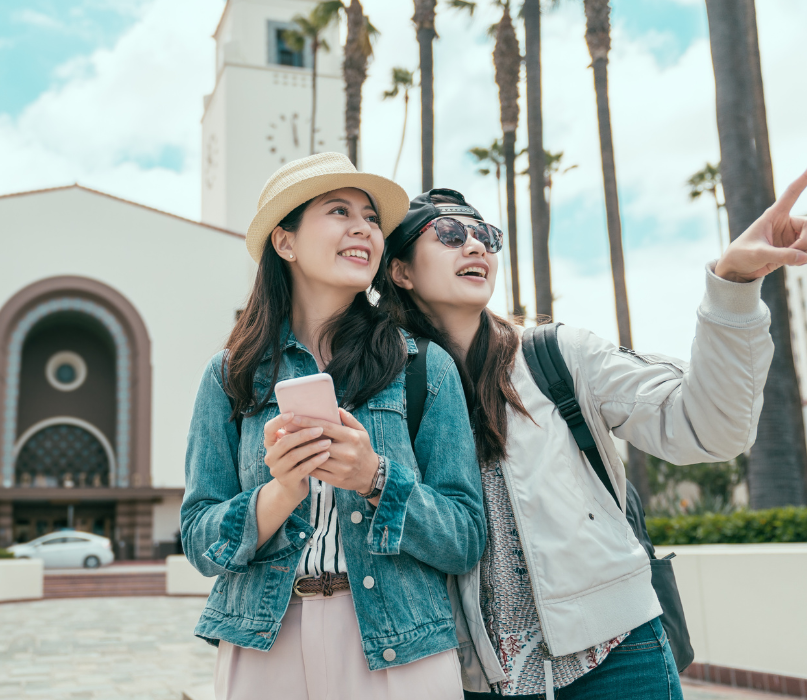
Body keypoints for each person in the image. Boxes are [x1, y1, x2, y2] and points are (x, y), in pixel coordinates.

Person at [380, 168, 807, 700]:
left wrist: (734, 285)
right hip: (476, 677)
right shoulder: (387, 391)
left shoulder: (558, 355)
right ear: (400, 271)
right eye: (448, 234)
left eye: (487, 235)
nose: (475, 244)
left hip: (619, 656)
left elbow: (710, 428)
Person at [181, 152, 487, 699]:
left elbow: (464, 538)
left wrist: (375, 479)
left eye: (371, 218)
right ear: (286, 241)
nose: (364, 229)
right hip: (262, 641)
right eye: (339, 211)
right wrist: (279, 494)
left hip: (403, 642)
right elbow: (200, 542)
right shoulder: (233, 374)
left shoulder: (420, 365)